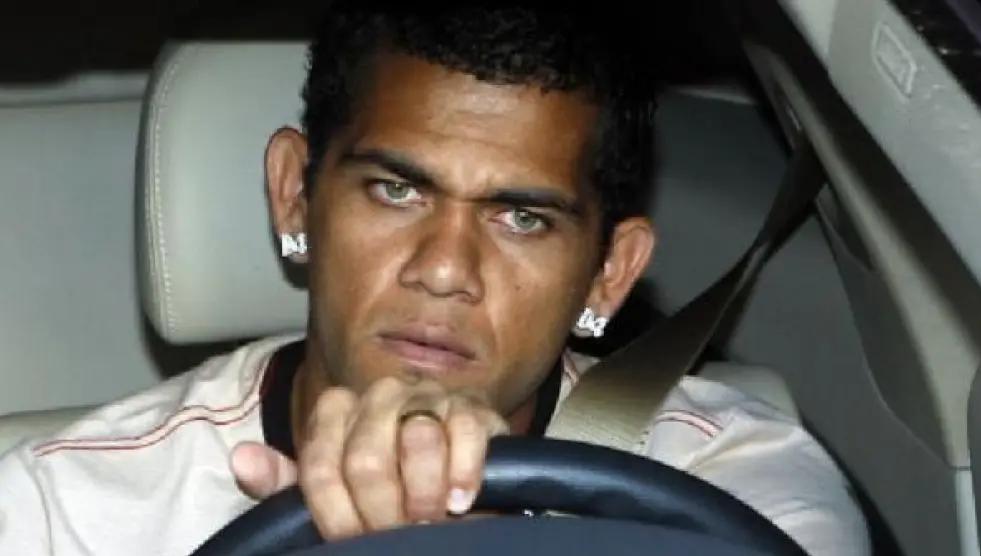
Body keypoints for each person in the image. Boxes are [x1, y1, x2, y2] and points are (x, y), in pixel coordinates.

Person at [0, 4, 870, 555]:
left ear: (609, 273)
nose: (446, 270)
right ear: (295, 193)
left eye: (521, 218)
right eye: (396, 190)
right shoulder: (63, 515)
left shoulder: (732, 483)